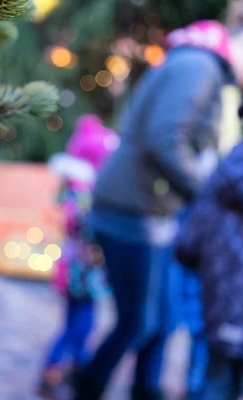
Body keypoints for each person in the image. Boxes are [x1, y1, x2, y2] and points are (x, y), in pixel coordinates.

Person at [75, 19, 243, 400]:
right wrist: (206, 193)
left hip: (148, 209)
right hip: (133, 212)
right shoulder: (200, 66)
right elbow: (166, 139)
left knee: (161, 321)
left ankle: (144, 389)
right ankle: (87, 387)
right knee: (138, 323)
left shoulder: (195, 63)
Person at [39, 115, 118, 399]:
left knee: (79, 323)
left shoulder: (79, 189)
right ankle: (59, 371)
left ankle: (71, 371)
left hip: (80, 269)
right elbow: (81, 224)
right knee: (80, 324)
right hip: (82, 271)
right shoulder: (82, 191)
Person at [175, 142, 243, 400]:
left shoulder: (228, 164)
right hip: (232, 295)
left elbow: (188, 242)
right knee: (220, 378)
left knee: (218, 374)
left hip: (222, 294)